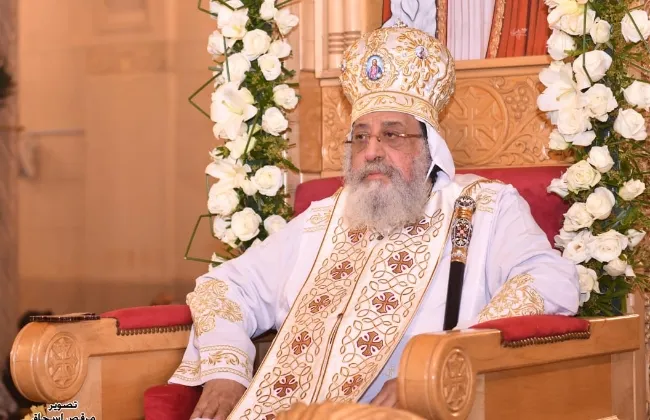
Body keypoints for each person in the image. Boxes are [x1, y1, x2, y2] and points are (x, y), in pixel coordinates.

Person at [171, 23, 579, 420]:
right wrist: (226, 372)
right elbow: (223, 287)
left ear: (429, 146)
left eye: (393, 134)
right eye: (361, 136)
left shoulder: (483, 208)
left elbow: (550, 280)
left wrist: (437, 368)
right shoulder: (323, 219)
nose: (372, 151)